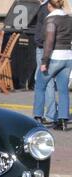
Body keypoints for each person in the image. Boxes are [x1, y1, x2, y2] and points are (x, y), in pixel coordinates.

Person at [33, 0, 72, 131]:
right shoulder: (68, 18)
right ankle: (62, 121)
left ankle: (37, 117)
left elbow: (49, 41)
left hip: (54, 57)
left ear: (50, 6)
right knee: (63, 90)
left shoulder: (51, 20)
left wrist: (44, 61)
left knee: (40, 86)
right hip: (68, 57)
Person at [33, 0, 58, 124]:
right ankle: (50, 114)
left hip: (43, 48)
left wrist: (38, 41)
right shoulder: (46, 7)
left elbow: (46, 29)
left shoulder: (45, 8)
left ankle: (48, 115)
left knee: (45, 81)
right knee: (46, 81)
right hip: (47, 47)